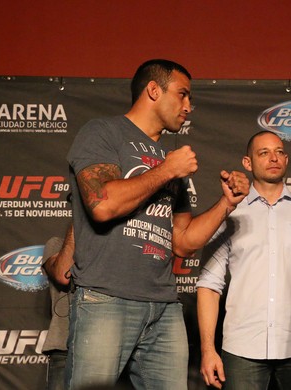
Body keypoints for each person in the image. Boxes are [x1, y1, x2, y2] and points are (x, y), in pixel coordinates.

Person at [65, 59, 249, 390]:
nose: (188, 107)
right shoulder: (103, 132)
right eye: (182, 95)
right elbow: (102, 204)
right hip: (106, 297)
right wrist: (167, 170)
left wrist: (226, 204)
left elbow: (183, 241)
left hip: (164, 306)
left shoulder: (168, 159)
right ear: (153, 90)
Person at [197, 131, 291, 390]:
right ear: (247, 163)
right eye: (264, 152)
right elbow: (209, 285)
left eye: (280, 151)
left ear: (286, 158)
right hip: (241, 349)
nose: (274, 158)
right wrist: (208, 350)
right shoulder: (229, 213)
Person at [41, 223, 74, 390]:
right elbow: (63, 275)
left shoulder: (114, 249)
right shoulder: (56, 244)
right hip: (64, 349)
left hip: (110, 349)